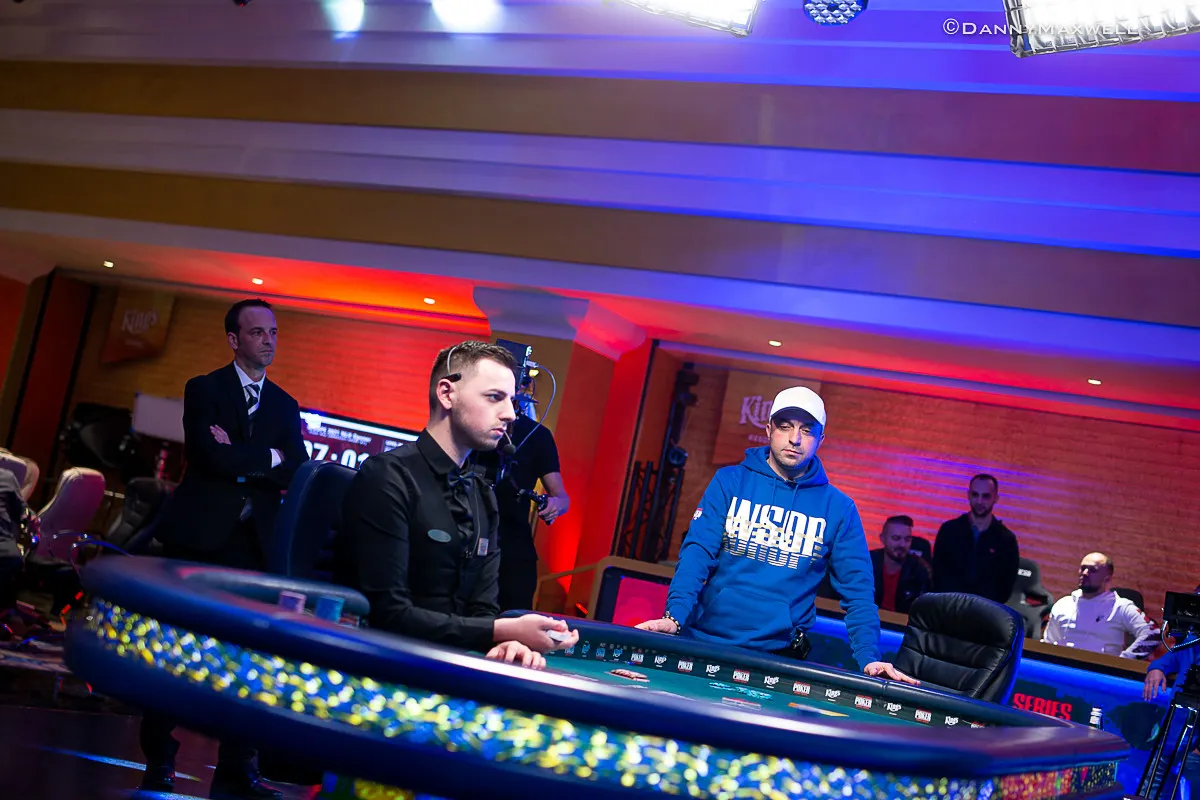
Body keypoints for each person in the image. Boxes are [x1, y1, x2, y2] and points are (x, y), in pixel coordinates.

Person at [142, 298, 309, 799]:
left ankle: (238, 768)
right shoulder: (204, 389)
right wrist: (266, 458)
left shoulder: (284, 405)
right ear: (235, 340)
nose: (269, 340)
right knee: (175, 649)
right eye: (258, 333)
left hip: (252, 545)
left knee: (246, 659)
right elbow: (210, 457)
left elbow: (295, 466)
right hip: (198, 539)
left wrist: (243, 456)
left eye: (273, 332)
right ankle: (159, 759)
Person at [636, 386, 915, 684]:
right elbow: (697, 553)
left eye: (806, 430)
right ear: (769, 429)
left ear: (821, 440)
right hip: (704, 642)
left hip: (778, 660)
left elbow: (858, 592)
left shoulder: (839, 508)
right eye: (785, 426)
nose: (795, 439)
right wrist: (674, 616)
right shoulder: (730, 481)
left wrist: (869, 657)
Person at [337, 340, 578, 670]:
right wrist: (502, 631)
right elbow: (388, 614)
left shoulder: (483, 496)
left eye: (511, 400)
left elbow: (482, 611)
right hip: (378, 666)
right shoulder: (387, 477)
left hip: (450, 667)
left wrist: (504, 643)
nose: (510, 414)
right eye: (494, 397)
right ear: (447, 394)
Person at [473, 412, 570, 611]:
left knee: (512, 611)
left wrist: (554, 505)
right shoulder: (471, 421)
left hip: (511, 545)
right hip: (465, 533)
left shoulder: (537, 434)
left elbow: (562, 498)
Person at [1042, 552, 1156, 658]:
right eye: (1083, 568)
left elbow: (1153, 633)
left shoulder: (1121, 607)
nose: (1085, 573)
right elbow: (1048, 644)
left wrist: (1125, 659)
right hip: (1063, 667)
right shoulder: (1063, 604)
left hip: (1101, 670)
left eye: (1093, 570)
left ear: (1107, 578)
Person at [932, 475, 1020, 604]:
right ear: (968, 495)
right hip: (948, 606)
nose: (979, 501)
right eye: (975, 495)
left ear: (996, 498)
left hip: (986, 610)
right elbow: (938, 574)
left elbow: (1005, 586)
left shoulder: (1006, 540)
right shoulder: (949, 531)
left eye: (986, 496)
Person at [872, 515, 931, 614]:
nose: (902, 544)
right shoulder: (867, 562)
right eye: (896, 538)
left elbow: (922, 610)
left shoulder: (920, 570)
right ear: (882, 538)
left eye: (907, 539)